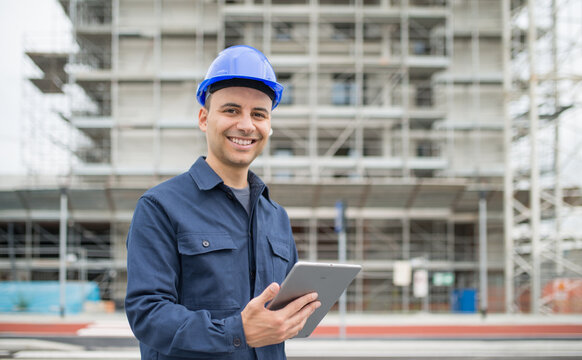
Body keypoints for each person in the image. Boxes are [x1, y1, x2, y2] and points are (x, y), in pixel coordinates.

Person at [125, 45, 321, 360]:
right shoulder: (159, 206)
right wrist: (236, 332)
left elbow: (276, 314)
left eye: (259, 114)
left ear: (268, 126)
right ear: (204, 118)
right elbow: (147, 316)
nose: (246, 124)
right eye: (231, 110)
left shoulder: (276, 217)